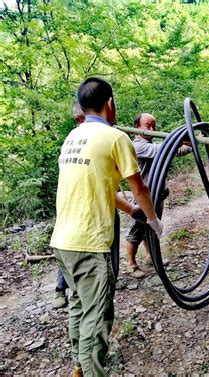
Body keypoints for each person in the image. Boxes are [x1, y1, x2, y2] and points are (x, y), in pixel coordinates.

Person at [50, 77, 163, 376]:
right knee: (97, 318)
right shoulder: (115, 137)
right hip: (90, 243)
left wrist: (131, 211)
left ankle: (78, 365)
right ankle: (91, 371)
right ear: (110, 103)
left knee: (79, 305)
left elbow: (101, 187)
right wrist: (153, 220)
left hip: (63, 241)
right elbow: (138, 186)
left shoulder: (73, 137)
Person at [125, 112, 191, 278]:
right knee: (137, 230)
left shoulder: (152, 144)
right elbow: (162, 150)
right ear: (137, 128)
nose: (152, 129)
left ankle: (150, 256)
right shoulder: (138, 146)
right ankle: (131, 264)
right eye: (148, 126)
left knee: (152, 227)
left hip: (157, 195)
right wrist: (179, 139)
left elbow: (173, 152)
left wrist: (192, 143)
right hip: (143, 197)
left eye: (154, 126)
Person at [52, 102, 86, 310]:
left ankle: (81, 289)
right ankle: (60, 289)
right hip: (71, 205)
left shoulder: (96, 136)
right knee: (69, 245)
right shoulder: (73, 140)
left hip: (86, 206)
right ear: (78, 120)